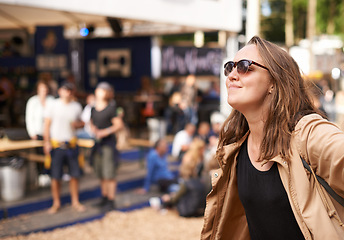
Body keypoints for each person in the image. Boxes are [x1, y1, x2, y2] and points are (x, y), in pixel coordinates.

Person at [201, 36, 344, 240]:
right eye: (230, 67)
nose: (232, 75)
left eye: (244, 67)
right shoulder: (235, 148)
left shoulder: (310, 134)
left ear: (274, 83)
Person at [43, 82, 85, 214]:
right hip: (57, 145)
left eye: (70, 90)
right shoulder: (53, 105)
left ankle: (75, 201)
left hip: (72, 145)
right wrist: (46, 142)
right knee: (56, 176)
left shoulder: (76, 106)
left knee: (75, 175)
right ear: (60, 91)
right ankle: (56, 203)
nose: (67, 92)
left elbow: (82, 123)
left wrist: (77, 125)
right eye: (65, 89)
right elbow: (46, 125)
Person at [90, 82, 124, 212]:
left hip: (108, 145)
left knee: (109, 173)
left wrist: (105, 132)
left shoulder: (111, 108)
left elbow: (118, 125)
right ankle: (104, 197)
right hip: (97, 144)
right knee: (101, 173)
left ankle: (111, 199)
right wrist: (94, 130)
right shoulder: (93, 108)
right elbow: (92, 123)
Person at [162, 138, 207, 217]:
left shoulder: (200, 157)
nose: (203, 150)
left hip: (192, 182)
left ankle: (167, 203)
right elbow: (185, 172)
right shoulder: (189, 158)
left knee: (176, 192)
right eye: (202, 149)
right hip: (192, 181)